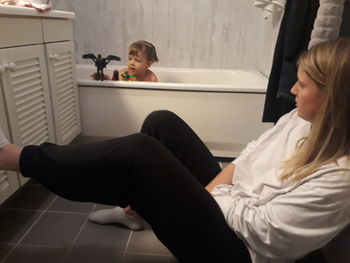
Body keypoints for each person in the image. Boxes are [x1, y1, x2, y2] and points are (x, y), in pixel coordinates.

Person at [1, 38, 350, 263]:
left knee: (139, 154)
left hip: (242, 251)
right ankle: (133, 212)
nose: (291, 89)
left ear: (334, 98)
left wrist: (208, 196)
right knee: (161, 122)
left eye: (302, 85)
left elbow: (265, 234)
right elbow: (246, 158)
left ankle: (18, 158)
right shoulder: (298, 119)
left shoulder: (341, 177)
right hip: (232, 204)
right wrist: (210, 192)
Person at [93, 40, 159, 82]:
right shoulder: (123, 73)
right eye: (130, 59)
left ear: (148, 63)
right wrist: (107, 80)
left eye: (137, 60)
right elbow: (116, 89)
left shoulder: (151, 79)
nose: (132, 63)